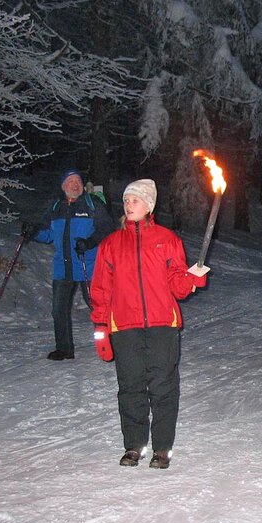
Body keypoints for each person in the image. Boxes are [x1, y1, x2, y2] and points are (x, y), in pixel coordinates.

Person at [90, 179, 207, 468]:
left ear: (149, 206)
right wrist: (101, 328)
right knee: (130, 386)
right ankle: (134, 445)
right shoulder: (111, 244)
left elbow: (177, 286)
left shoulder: (167, 240)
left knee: (163, 385)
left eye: (136, 200)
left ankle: (162, 448)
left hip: (162, 323)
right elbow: (101, 291)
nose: (129, 204)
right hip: (124, 325)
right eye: (127, 200)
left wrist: (193, 279)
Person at [22, 169, 116, 360]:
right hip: (62, 267)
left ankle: (112, 343)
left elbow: (107, 229)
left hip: (88, 265)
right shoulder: (56, 207)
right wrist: (32, 232)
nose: (76, 184)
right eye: (71, 181)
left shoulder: (92, 204)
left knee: (98, 307)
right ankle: (64, 349)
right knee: (58, 310)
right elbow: (48, 234)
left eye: (78, 181)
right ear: (63, 185)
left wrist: (90, 242)